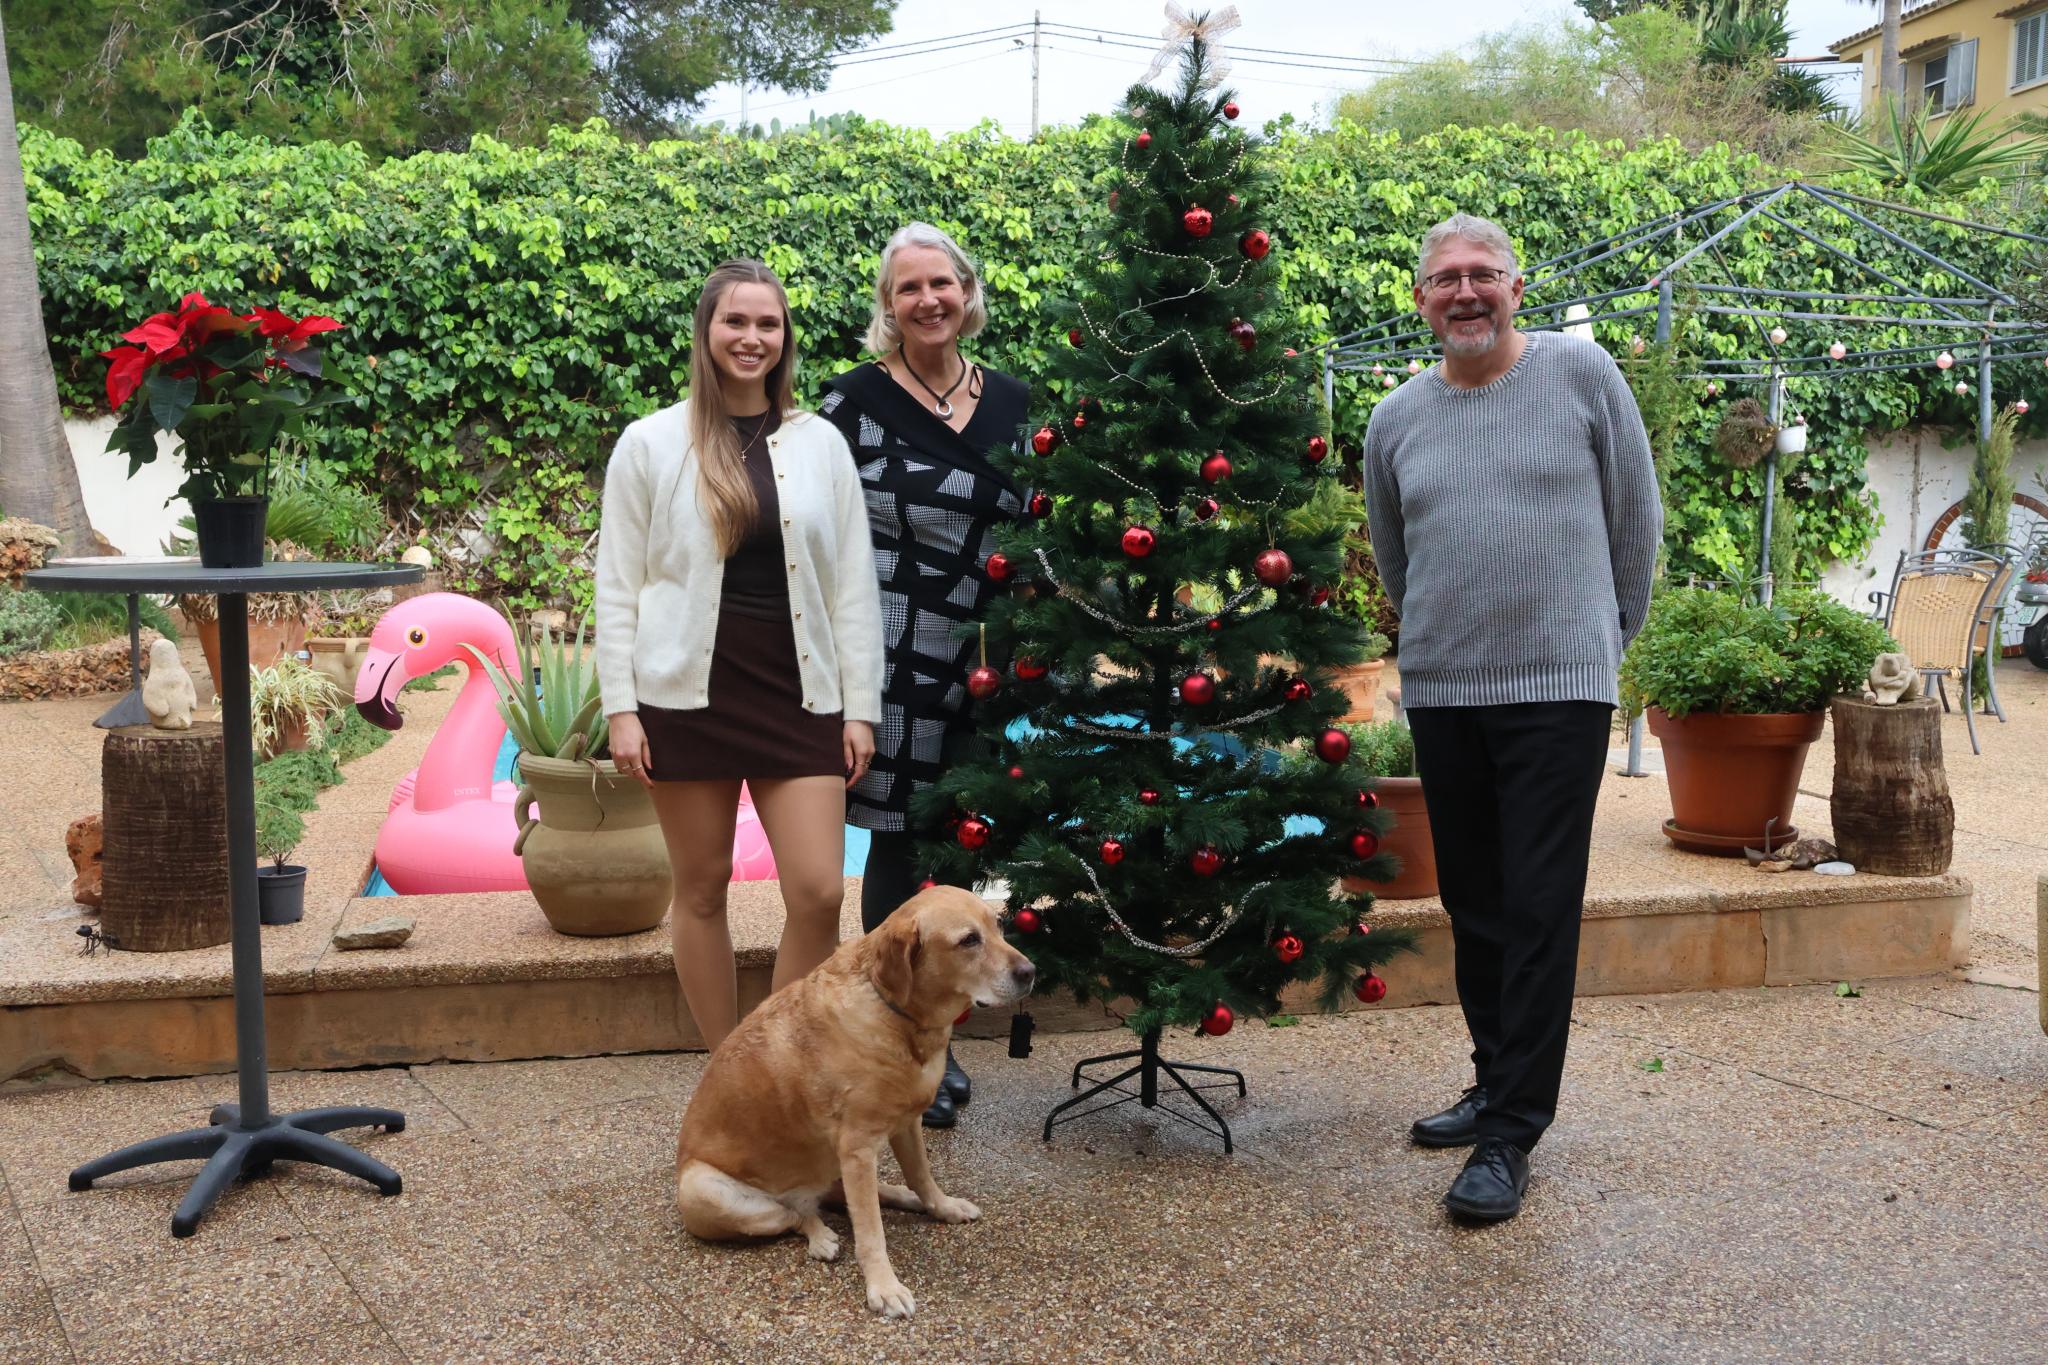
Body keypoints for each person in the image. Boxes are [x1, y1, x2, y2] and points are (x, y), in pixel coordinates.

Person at [1363, 213, 1662, 1223]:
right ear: (1419, 299)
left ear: (1514, 288)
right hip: (1447, 689)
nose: (1462, 292)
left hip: (1556, 690)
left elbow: (1636, 524)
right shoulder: (1394, 418)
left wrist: (1594, 646)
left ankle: (1510, 1133)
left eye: (1480, 274)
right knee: (1475, 905)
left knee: (1536, 908)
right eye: (1442, 278)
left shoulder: (1582, 378)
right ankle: (1492, 1079)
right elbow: (1396, 556)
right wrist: (1436, 645)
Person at [596, 259, 882, 1054]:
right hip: (688, 699)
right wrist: (622, 708)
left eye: (768, 323)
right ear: (706, 331)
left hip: (801, 695)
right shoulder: (650, 443)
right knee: (701, 891)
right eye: (736, 321)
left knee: (821, 891)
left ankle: (777, 1063)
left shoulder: (818, 442)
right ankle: (730, 1070)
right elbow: (617, 585)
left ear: (784, 338)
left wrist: (860, 705)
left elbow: (853, 583)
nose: (752, 337)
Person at [818, 222, 1031, 1128]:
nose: (928, 300)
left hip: (991, 649)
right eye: (908, 289)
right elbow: (813, 525)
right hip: (892, 643)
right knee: (899, 842)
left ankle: (951, 1027)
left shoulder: (1019, 401)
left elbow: (1049, 518)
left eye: (941, 283)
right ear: (888, 306)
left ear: (967, 293)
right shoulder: (849, 403)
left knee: (970, 838)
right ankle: (902, 1042)